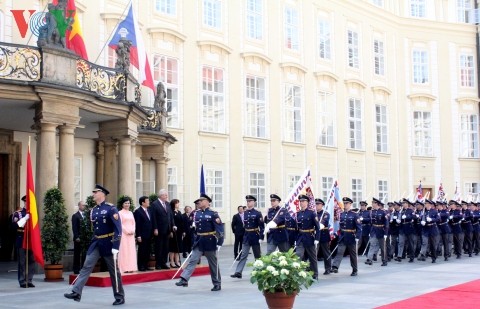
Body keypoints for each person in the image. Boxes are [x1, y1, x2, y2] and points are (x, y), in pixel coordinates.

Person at [64, 184, 125, 306]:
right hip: (97, 242)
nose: (93, 194)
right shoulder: (94, 210)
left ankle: (119, 296)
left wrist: (115, 246)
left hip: (109, 243)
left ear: (102, 193)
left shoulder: (111, 209)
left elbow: (118, 229)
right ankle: (77, 291)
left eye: (95, 192)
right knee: (87, 265)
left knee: (114, 272)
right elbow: (95, 229)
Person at [175, 193, 224, 291]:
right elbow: (194, 228)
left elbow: (219, 228)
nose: (199, 203)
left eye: (201, 201)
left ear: (207, 202)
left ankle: (217, 283)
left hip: (210, 241)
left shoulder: (213, 214)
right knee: (193, 260)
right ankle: (184, 279)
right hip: (199, 241)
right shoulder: (196, 213)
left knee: (213, 264)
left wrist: (219, 243)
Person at [231, 195, 264, 279]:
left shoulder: (257, 213)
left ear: (254, 202)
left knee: (257, 255)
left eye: (250, 201)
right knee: (243, 254)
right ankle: (238, 272)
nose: (248, 203)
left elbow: (261, 226)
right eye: (247, 201)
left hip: (255, 235)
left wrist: (261, 237)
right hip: (246, 236)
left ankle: (260, 271)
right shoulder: (244, 213)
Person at [331, 197, 362, 276]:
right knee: (339, 252)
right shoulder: (342, 214)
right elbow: (341, 227)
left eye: (347, 203)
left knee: (353, 254)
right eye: (344, 203)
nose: (345, 205)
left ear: (350, 204)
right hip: (343, 236)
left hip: (351, 237)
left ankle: (355, 270)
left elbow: (359, 228)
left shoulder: (355, 215)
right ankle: (335, 267)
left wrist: (357, 237)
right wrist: (338, 234)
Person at [12, 195, 35, 288]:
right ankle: (22, 280)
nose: (27, 203)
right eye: (26, 202)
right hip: (21, 239)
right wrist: (25, 219)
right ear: (24, 202)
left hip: (31, 240)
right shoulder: (18, 214)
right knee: (22, 261)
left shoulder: (33, 214)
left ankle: (29, 280)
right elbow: (14, 226)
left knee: (32, 260)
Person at [295, 195, 320, 279]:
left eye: (303, 201)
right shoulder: (297, 214)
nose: (301, 203)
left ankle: (315, 274)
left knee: (312, 257)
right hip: (301, 237)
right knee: (298, 255)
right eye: (300, 201)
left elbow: (317, 227)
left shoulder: (312, 213)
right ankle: (298, 273)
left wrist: (317, 238)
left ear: (307, 202)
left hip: (310, 237)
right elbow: (297, 228)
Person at [151, 189, 175, 269]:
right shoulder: (155, 204)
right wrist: (155, 228)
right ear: (161, 195)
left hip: (167, 230)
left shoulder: (167, 204)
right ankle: (158, 264)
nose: (167, 196)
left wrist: (172, 227)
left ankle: (164, 263)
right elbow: (153, 217)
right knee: (159, 247)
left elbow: (171, 217)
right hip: (159, 229)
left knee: (166, 247)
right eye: (165, 195)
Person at [365, 198, 389, 267]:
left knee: (382, 247)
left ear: (376, 204)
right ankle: (369, 259)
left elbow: (386, 223)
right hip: (374, 230)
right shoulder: (371, 212)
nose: (372, 204)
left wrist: (386, 233)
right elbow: (369, 221)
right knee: (372, 244)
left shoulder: (383, 212)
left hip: (381, 230)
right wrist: (362, 219)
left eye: (373, 203)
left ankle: (384, 260)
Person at [134, 196, 153, 271]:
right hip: (142, 235)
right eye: (147, 201)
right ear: (143, 203)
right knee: (142, 250)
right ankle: (141, 265)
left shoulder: (149, 210)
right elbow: (137, 224)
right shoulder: (138, 211)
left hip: (149, 234)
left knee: (148, 250)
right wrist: (138, 235)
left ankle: (146, 265)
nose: (149, 202)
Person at [118, 197, 137, 273]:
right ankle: (124, 268)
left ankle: (131, 267)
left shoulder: (131, 213)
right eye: (125, 203)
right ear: (122, 204)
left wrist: (133, 230)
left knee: (131, 251)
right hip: (124, 234)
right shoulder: (120, 213)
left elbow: (133, 223)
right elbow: (120, 224)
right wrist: (126, 231)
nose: (127, 204)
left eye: (128, 203)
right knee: (124, 250)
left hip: (131, 234)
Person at [316, 198, 332, 275]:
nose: (316, 205)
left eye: (318, 204)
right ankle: (313, 269)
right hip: (315, 235)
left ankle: (328, 268)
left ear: (322, 205)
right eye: (316, 204)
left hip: (323, 234)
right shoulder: (313, 214)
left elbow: (324, 223)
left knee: (326, 253)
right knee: (313, 253)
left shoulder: (325, 214)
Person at [169, 199, 184, 268]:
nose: (178, 204)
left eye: (178, 203)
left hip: (179, 232)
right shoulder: (171, 212)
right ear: (173, 204)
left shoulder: (179, 212)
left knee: (178, 248)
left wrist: (183, 231)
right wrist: (171, 231)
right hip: (174, 231)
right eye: (177, 203)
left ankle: (177, 261)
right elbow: (170, 222)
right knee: (173, 247)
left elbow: (181, 222)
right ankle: (172, 261)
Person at [72, 201, 86, 274]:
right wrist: (76, 236)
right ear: (79, 206)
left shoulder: (86, 215)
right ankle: (76, 269)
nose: (84, 206)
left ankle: (83, 268)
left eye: (84, 205)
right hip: (78, 238)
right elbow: (74, 227)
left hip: (84, 238)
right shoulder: (75, 215)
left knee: (84, 254)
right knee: (77, 254)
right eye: (83, 205)